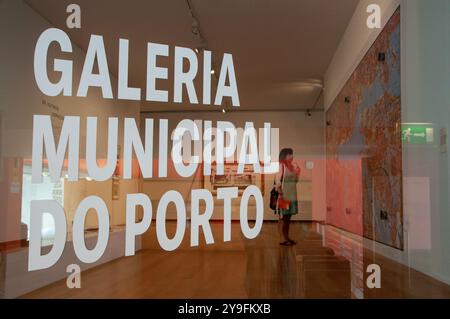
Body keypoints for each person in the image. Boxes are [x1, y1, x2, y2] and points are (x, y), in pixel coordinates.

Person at [275, 148, 301, 246]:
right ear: (285, 156)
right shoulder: (281, 166)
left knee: (288, 219)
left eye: (292, 154)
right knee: (283, 218)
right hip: (284, 196)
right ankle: (283, 238)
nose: (292, 156)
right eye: (290, 154)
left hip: (292, 195)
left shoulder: (292, 167)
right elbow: (277, 181)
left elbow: (295, 181)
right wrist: (281, 194)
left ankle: (287, 237)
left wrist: (298, 173)